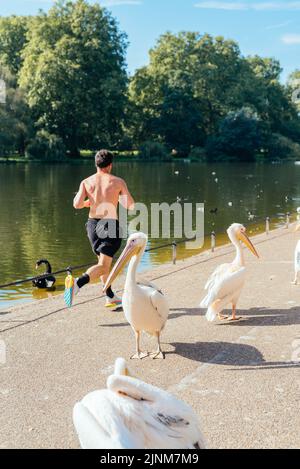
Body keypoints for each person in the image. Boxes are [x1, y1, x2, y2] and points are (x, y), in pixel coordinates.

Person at [65, 149, 135, 308]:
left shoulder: (86, 181)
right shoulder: (117, 182)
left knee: (103, 262)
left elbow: (76, 204)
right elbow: (130, 205)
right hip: (109, 225)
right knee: (103, 265)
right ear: (110, 165)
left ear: (96, 164)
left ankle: (109, 296)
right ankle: (77, 284)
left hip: (92, 225)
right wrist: (118, 198)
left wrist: (86, 203)